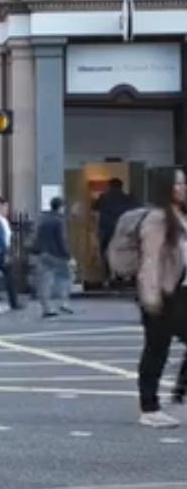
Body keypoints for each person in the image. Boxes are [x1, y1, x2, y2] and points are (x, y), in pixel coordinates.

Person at [134, 169, 187, 429]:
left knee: (158, 349)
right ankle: (149, 408)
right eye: (177, 183)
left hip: (179, 294)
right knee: (156, 350)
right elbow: (151, 261)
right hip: (162, 295)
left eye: (183, 182)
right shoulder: (158, 219)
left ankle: (178, 389)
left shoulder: (179, 216)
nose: (183, 186)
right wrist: (150, 297)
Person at [33, 197, 75, 319]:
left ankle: (46, 308)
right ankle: (63, 302)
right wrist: (68, 256)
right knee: (67, 277)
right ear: (61, 207)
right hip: (57, 255)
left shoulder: (42, 219)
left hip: (43, 253)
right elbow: (62, 240)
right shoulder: (59, 220)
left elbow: (36, 236)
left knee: (44, 282)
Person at [95, 178, 139, 283]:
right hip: (124, 229)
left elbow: (95, 209)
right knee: (125, 251)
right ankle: (126, 275)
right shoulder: (128, 198)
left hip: (107, 229)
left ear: (110, 186)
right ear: (121, 186)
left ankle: (108, 275)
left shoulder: (103, 197)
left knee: (104, 252)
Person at [0, 197, 23, 313]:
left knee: (10, 277)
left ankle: (13, 302)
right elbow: (1, 238)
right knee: (6, 277)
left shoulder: (2, 220)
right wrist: (5, 252)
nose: (7, 210)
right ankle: (12, 302)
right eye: (5, 207)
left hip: (3, 251)